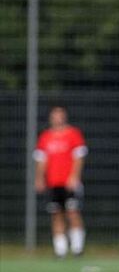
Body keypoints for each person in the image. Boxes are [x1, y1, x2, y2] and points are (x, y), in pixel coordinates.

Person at [34, 105, 87, 258]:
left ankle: (77, 248)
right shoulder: (45, 137)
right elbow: (41, 160)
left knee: (72, 212)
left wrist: (74, 176)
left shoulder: (73, 134)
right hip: (53, 183)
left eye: (60, 115)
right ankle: (60, 250)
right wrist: (39, 178)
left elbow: (79, 157)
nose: (58, 118)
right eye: (55, 115)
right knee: (56, 214)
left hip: (69, 182)